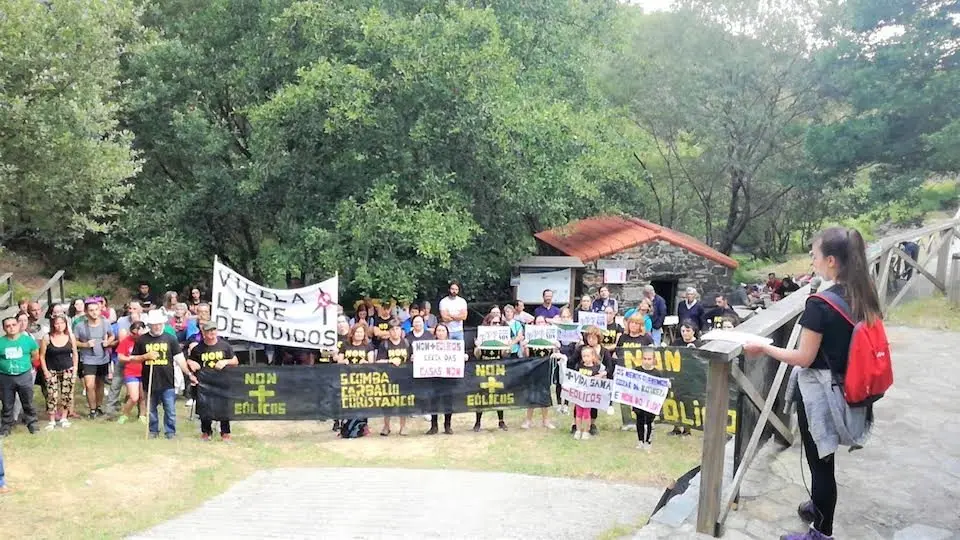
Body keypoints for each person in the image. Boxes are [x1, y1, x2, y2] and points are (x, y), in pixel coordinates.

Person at [744, 227, 880, 540]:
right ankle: (817, 506)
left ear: (831, 261)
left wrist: (763, 347)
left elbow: (804, 358)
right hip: (849, 388)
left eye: (814, 255)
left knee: (821, 463)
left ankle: (821, 532)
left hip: (822, 393)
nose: (811, 260)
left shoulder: (821, 304)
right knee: (823, 460)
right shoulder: (863, 294)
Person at [130, 310, 195, 439]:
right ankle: (153, 430)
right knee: (151, 409)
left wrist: (189, 373)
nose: (158, 326)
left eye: (160, 324)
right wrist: (146, 356)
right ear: (150, 325)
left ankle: (170, 432)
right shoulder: (142, 340)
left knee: (170, 409)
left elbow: (179, 358)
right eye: (155, 324)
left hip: (167, 380)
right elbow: (133, 358)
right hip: (150, 380)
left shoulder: (170, 338)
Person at [187, 321, 239, 441]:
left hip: (222, 381)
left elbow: (235, 361)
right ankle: (206, 432)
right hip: (205, 383)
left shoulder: (225, 346)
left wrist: (225, 362)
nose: (212, 333)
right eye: (209, 331)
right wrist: (191, 363)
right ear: (204, 333)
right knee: (205, 407)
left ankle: (225, 432)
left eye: (214, 330)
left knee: (224, 407)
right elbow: (190, 360)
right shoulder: (198, 348)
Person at [569, 326, 614, 436]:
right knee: (578, 403)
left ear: (598, 338)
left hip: (596, 382)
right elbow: (572, 361)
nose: (591, 340)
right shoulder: (581, 349)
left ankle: (591, 425)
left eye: (594, 338)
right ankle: (576, 424)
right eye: (589, 338)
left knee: (593, 404)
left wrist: (602, 374)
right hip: (582, 381)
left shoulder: (604, 351)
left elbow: (610, 367)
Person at [75, 298, 116, 418]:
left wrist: (107, 342)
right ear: (86, 312)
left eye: (96, 310)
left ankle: (98, 407)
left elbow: (112, 335)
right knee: (89, 385)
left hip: (103, 358)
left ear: (100, 310)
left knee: (100, 384)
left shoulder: (105, 323)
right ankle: (92, 409)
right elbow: (74, 341)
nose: (94, 312)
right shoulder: (79, 326)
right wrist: (85, 345)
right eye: (91, 310)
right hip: (87, 359)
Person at [0, 316, 40, 436]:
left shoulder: (27, 340)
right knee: (7, 403)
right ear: (4, 328)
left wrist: (28, 367)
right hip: (6, 377)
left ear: (18, 326)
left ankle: (32, 423)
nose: (11, 328)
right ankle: (6, 427)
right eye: (8, 326)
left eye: (13, 325)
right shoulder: (1, 342)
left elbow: (35, 355)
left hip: (24, 375)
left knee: (27, 401)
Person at [615, 313, 654, 430]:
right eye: (631, 322)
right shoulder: (623, 337)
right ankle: (627, 422)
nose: (633, 325)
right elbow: (617, 353)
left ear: (641, 325)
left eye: (636, 323)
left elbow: (653, 354)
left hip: (642, 373)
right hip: (625, 373)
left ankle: (646, 421)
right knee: (625, 397)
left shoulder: (646, 338)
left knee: (642, 398)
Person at [39, 315, 78, 430]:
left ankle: (64, 417)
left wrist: (75, 369)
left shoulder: (70, 337)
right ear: (52, 325)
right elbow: (42, 356)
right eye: (57, 323)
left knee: (67, 394)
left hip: (68, 369)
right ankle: (52, 419)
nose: (59, 325)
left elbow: (75, 353)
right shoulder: (47, 338)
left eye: (62, 323)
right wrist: (45, 371)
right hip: (52, 370)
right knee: (52, 395)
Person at [521, 315, 558, 430]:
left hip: (545, 367)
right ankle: (528, 420)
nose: (541, 324)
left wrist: (556, 346)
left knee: (545, 393)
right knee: (532, 393)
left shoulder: (549, 336)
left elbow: (554, 354)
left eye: (542, 322)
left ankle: (546, 420)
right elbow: (526, 355)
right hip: (533, 367)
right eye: (538, 322)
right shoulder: (531, 336)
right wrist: (525, 346)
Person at [473, 312, 508, 432]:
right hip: (484, 368)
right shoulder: (482, 335)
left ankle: (501, 421)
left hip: (497, 367)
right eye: (494, 323)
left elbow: (503, 355)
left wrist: (505, 347)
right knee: (481, 395)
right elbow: (477, 355)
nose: (497, 325)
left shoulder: (501, 336)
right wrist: (478, 347)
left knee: (499, 395)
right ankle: (477, 422)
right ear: (488, 323)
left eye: (499, 323)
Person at [376, 319, 412, 436]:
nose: (395, 332)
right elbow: (378, 361)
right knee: (387, 403)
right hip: (388, 377)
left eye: (397, 329)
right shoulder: (384, 344)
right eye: (392, 329)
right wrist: (390, 360)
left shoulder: (406, 343)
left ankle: (403, 426)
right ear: (389, 331)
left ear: (401, 330)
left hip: (404, 376)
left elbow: (411, 357)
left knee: (403, 402)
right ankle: (386, 426)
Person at [425, 323, 456, 435]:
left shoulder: (453, 345)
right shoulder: (430, 345)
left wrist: (464, 356)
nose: (441, 333)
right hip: (434, 378)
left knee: (448, 401)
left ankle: (448, 426)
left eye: (443, 330)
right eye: (438, 330)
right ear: (435, 333)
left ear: (447, 333)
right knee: (434, 402)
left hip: (448, 378)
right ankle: (434, 426)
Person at [116, 321, 147, 425]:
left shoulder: (146, 340)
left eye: (137, 334)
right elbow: (120, 357)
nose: (134, 336)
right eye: (133, 333)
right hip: (131, 371)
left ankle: (142, 415)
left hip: (144, 371)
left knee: (143, 396)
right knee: (134, 397)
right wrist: (131, 358)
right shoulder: (126, 341)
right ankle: (124, 414)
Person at [572, 347, 605, 440]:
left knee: (586, 413)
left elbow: (603, 379)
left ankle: (586, 431)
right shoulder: (579, 366)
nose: (585, 358)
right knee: (578, 413)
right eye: (583, 356)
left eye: (588, 356)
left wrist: (600, 376)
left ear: (593, 356)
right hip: (579, 394)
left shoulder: (596, 368)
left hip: (589, 396)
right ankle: (578, 430)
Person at [634, 349, 664, 451]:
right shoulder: (637, 370)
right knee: (639, 420)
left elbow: (661, 389)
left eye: (649, 359)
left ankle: (648, 441)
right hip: (638, 401)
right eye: (645, 358)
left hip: (651, 402)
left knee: (649, 421)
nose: (647, 361)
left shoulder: (657, 373)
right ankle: (640, 440)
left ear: (654, 360)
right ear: (641, 359)